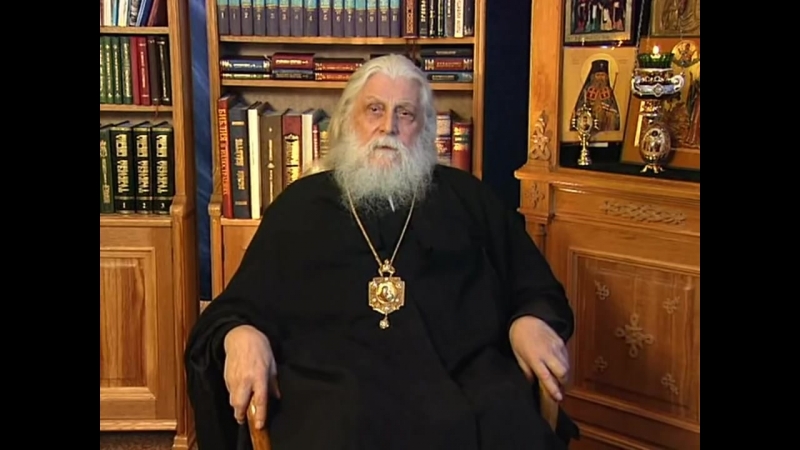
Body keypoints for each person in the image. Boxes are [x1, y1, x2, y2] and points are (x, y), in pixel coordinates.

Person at [185, 54, 579, 450]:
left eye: (404, 113)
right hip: (331, 388)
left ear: (425, 130)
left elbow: (533, 285)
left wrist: (527, 321)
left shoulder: (469, 199)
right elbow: (238, 304)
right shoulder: (300, 206)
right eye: (374, 109)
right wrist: (240, 334)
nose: (388, 126)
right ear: (348, 120)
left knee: (506, 423)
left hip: (461, 378)